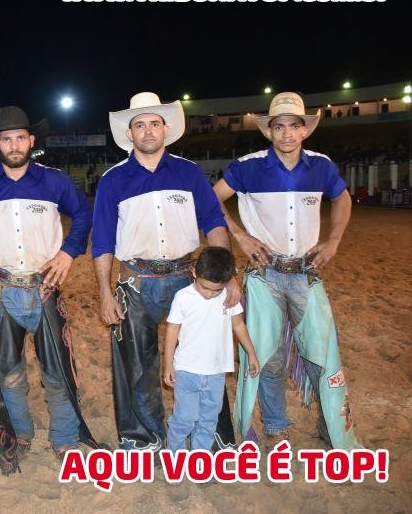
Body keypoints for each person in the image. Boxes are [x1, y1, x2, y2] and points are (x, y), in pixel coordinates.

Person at [0, 106, 100, 475]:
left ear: (31, 141)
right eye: (7, 138)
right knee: (8, 371)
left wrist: (69, 252)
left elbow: (83, 213)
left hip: (45, 288)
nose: (14, 144)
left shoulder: (54, 181)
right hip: (1, 289)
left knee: (58, 369)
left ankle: (65, 436)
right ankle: (19, 430)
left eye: (21, 137)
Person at [92, 92, 240, 452]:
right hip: (135, 280)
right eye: (139, 124)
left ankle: (214, 439)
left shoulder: (189, 173)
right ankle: (146, 439)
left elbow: (214, 225)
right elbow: (102, 241)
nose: (147, 130)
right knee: (137, 365)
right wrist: (104, 291)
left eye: (153, 123)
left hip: (186, 277)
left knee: (202, 360)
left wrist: (228, 274)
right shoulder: (112, 181)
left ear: (165, 129)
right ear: (129, 134)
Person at [214, 92, 360, 449]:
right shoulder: (247, 167)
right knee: (268, 357)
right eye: (279, 127)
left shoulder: (322, 167)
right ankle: (277, 426)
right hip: (265, 275)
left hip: (307, 274)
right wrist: (240, 236)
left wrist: (334, 240)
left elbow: (342, 199)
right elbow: (210, 198)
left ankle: (332, 428)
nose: (287, 134)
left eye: (294, 126)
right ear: (269, 132)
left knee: (321, 352)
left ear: (305, 130)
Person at [163, 247, 259, 451]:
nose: (209, 294)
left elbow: (238, 325)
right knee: (184, 420)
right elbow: (172, 330)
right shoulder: (183, 297)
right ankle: (174, 459)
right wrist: (168, 364)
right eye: (204, 287)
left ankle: (200, 460)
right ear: (194, 273)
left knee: (208, 421)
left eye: (216, 290)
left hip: (216, 373)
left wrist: (251, 353)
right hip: (187, 370)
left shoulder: (228, 296)